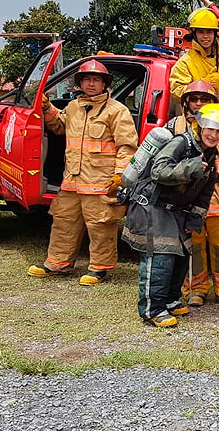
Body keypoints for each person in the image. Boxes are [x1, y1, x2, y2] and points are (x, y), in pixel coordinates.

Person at [28, 60, 138, 286]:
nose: (91, 83)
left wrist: (120, 176)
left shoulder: (117, 111)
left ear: (104, 83)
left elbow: (127, 147)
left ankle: (99, 268)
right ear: (79, 83)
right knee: (63, 221)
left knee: (100, 225)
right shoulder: (74, 107)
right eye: (86, 79)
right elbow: (59, 126)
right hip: (71, 181)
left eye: (96, 79)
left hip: (101, 182)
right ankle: (57, 263)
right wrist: (47, 108)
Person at [122, 103, 219, 327]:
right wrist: (191, 167)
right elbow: (158, 171)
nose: (214, 134)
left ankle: (170, 300)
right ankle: (152, 310)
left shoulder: (210, 154)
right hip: (153, 208)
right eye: (210, 129)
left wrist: (196, 218)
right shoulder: (181, 143)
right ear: (199, 126)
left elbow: (205, 192)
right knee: (160, 259)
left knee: (181, 257)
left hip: (178, 212)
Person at [168, 81, 219, 308]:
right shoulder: (176, 126)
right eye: (194, 99)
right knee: (192, 247)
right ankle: (195, 289)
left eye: (204, 99)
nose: (198, 103)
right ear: (185, 102)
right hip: (188, 201)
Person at [169, 7, 219, 112]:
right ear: (194, 34)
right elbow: (176, 92)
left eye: (209, 32)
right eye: (201, 32)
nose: (205, 36)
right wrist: (202, 86)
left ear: (215, 34)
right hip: (197, 120)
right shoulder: (185, 63)